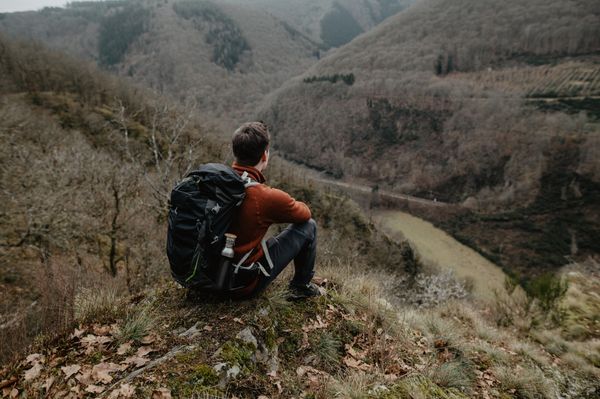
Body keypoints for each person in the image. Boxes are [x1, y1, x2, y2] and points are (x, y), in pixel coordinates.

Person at [227, 122, 321, 300]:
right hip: (240, 286)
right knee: (309, 226)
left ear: (235, 152)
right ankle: (301, 287)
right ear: (264, 155)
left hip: (206, 276)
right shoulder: (264, 196)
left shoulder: (216, 182)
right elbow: (305, 214)